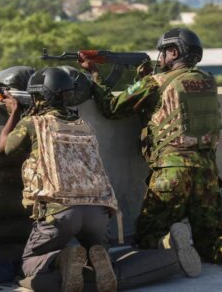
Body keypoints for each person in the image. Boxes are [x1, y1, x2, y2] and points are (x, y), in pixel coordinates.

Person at [80, 27, 222, 264]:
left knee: (146, 240)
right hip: (207, 172)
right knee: (213, 243)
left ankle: (165, 250)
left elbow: (112, 108)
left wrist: (95, 74)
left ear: (175, 52)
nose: (161, 58)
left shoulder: (155, 82)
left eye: (164, 52)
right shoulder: (207, 82)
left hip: (171, 171)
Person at [0, 67, 118, 292]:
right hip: (98, 211)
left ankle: (62, 258)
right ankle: (95, 257)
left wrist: (15, 112)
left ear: (39, 96)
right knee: (97, 248)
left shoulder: (34, 123)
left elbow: (5, 148)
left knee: (30, 263)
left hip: (61, 212)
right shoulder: (84, 125)